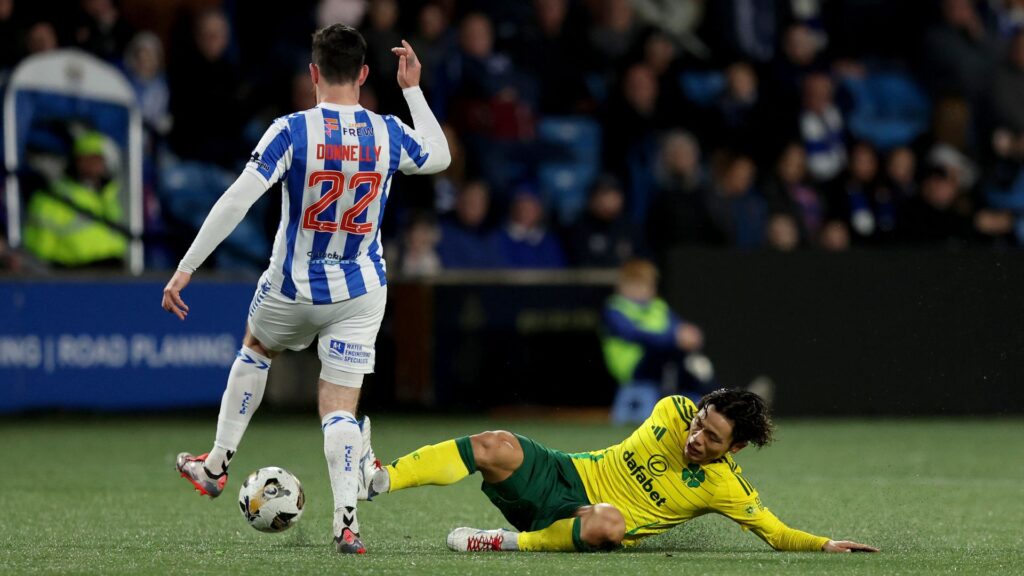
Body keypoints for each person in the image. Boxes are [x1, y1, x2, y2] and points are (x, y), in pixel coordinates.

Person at [161, 25, 450, 555]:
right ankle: (346, 525)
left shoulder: (292, 130)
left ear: (312, 74)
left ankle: (215, 465)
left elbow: (236, 200)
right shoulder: (387, 132)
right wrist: (412, 89)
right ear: (364, 74)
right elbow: (439, 156)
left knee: (257, 345)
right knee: (339, 406)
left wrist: (186, 268)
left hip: (292, 289)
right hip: (361, 292)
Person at [362, 388, 878, 554]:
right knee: (495, 443)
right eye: (699, 423)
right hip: (562, 474)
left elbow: (775, 533)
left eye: (711, 439)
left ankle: (497, 541)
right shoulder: (672, 408)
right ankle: (379, 478)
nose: (695, 438)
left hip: (585, 519)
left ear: (736, 447)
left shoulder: (726, 487)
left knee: (611, 524)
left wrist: (826, 545)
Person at [602, 259, 710, 424]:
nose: (639, 292)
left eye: (643, 286)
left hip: (662, 364)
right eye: (634, 286)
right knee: (667, 349)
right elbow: (632, 334)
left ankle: (710, 395)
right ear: (621, 288)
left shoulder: (658, 306)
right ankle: (708, 395)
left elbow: (678, 328)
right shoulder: (615, 309)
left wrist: (690, 335)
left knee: (685, 354)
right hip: (633, 369)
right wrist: (674, 338)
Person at [23, 131, 127, 268]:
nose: (94, 165)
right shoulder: (51, 198)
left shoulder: (111, 195)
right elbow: (38, 250)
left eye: (98, 159)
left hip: (115, 271)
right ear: (76, 161)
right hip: (74, 275)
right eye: (87, 158)